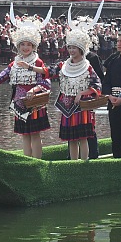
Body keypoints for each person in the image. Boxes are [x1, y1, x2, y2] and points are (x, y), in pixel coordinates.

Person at [0, 8, 52, 158]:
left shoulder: (37, 61)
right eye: (22, 44)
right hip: (19, 103)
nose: (25, 47)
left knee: (35, 134)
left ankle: (37, 162)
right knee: (24, 135)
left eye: (28, 45)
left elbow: (46, 82)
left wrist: (34, 91)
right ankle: (27, 161)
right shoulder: (14, 64)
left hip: (35, 102)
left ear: (33, 46)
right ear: (18, 46)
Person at [46, 28, 101, 160]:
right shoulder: (63, 65)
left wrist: (82, 93)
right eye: (69, 47)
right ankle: (73, 163)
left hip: (81, 105)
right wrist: (30, 67)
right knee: (71, 138)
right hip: (67, 106)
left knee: (82, 138)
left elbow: (97, 85)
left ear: (80, 49)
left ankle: (84, 163)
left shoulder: (88, 67)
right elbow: (47, 71)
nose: (71, 51)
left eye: (74, 48)